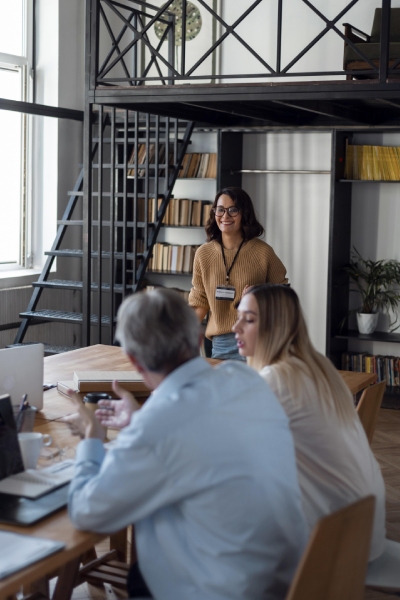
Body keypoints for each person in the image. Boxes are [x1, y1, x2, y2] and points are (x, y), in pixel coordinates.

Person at [65, 288, 307, 600]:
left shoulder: (156, 428)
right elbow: (194, 441)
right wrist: (141, 420)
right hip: (288, 579)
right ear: (196, 340)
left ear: (134, 362)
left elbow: (86, 512)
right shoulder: (245, 379)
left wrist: (92, 439)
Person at [233, 283, 386, 561]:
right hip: (363, 525)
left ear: (275, 326)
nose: (236, 327)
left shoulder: (277, 379)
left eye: (249, 319)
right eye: (239, 316)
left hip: (333, 542)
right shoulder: (315, 365)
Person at [188, 187, 288, 361]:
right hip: (222, 344)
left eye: (233, 210)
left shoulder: (263, 252)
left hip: (259, 341)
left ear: (244, 214)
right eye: (220, 209)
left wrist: (260, 295)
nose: (225, 216)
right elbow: (200, 301)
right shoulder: (203, 254)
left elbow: (285, 296)